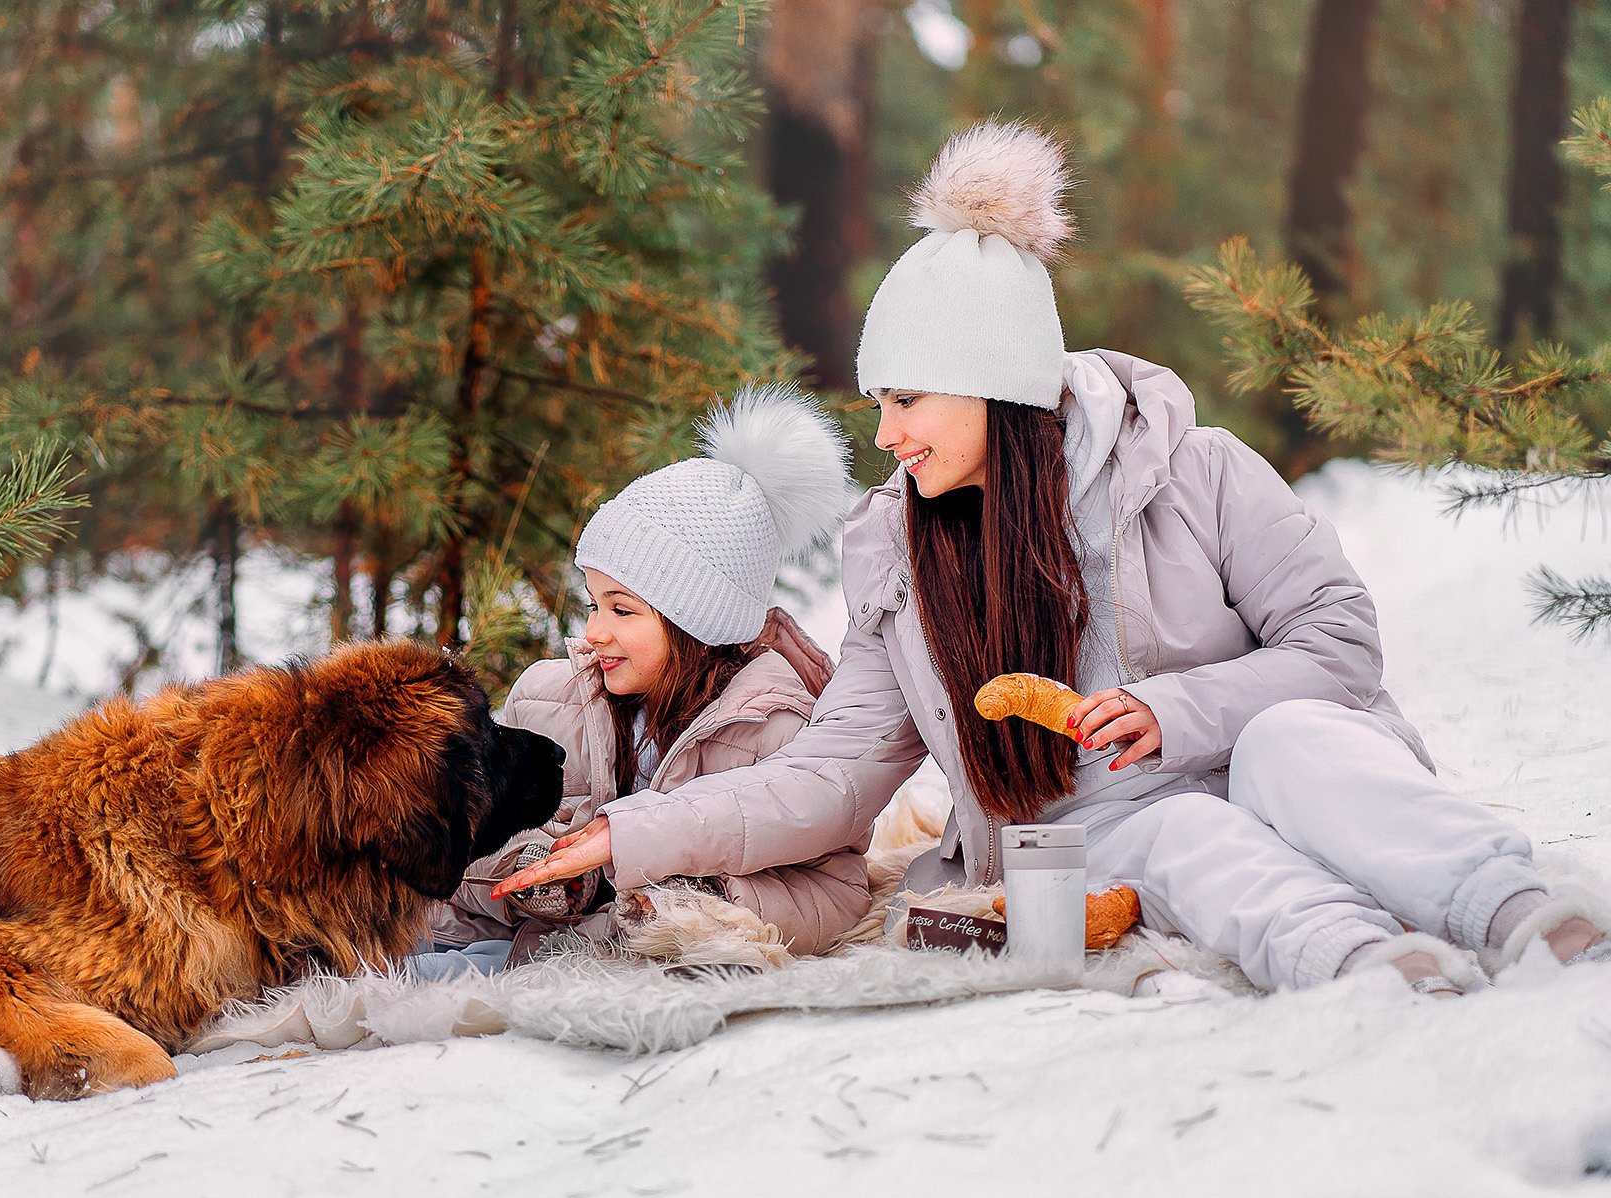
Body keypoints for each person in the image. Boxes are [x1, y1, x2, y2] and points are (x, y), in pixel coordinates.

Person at [497, 121, 1610, 995]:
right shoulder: (896, 548)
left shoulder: (1194, 469)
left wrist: (1178, 708)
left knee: (1282, 741)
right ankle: (1368, 971)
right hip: (1107, 824)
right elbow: (831, 777)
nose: (883, 436)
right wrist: (628, 831)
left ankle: (1520, 916)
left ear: (993, 383)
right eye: (875, 403)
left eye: (905, 399)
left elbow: (1339, 643)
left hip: (1285, 763)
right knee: (1161, 829)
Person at [412, 385, 871, 980]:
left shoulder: (772, 730)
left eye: (622, 610)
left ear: (696, 622)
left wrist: (697, 902)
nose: (593, 631)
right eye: (593, 603)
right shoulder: (549, 702)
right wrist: (528, 877)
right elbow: (465, 858)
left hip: (641, 973)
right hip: (513, 955)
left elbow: (833, 890)